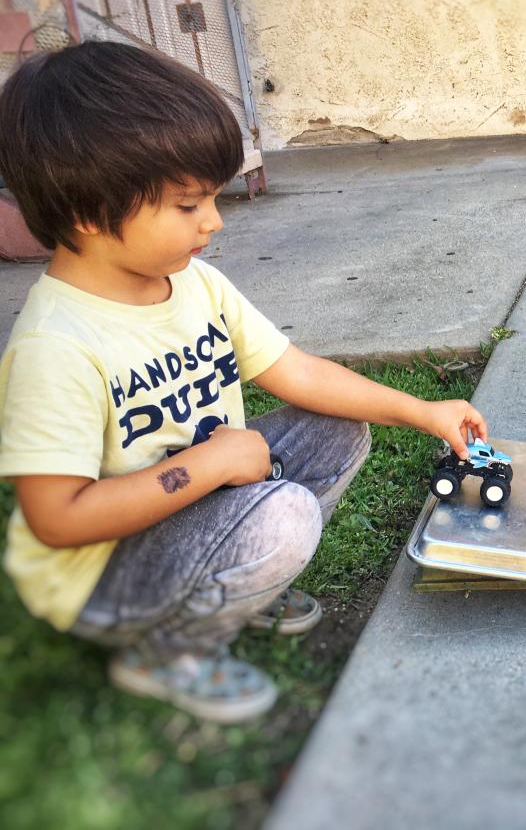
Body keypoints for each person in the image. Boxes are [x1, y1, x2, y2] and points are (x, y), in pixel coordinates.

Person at [0, 41, 488, 723]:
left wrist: (422, 410)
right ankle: (165, 649)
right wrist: (209, 464)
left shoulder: (194, 283)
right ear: (87, 210)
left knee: (336, 427)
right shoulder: (57, 346)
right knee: (282, 517)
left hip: (199, 503)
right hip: (101, 573)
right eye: (187, 204)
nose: (214, 221)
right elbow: (58, 520)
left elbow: (296, 372)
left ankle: (240, 580)